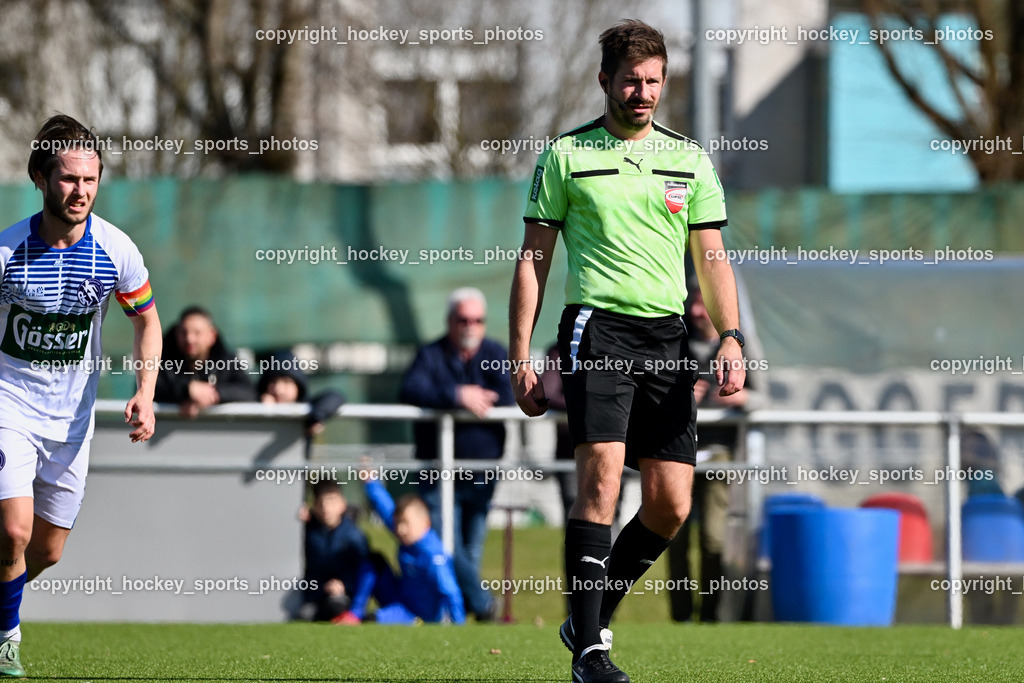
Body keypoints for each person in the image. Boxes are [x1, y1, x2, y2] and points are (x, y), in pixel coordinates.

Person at [509, 20, 747, 683]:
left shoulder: (690, 160)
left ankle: (586, 617)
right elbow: (533, 260)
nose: (642, 92)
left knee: (671, 503)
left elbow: (712, 259)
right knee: (602, 484)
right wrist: (521, 355)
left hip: (667, 338)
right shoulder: (566, 155)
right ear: (605, 81)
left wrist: (730, 336)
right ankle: (590, 652)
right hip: (597, 329)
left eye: (653, 81)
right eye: (631, 81)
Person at [0, 114, 162, 677]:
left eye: (90, 180)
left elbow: (147, 321)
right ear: (40, 178)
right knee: (13, 531)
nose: (80, 191)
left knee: (45, 551)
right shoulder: (7, 252)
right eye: (68, 178)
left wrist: (146, 391)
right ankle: (6, 641)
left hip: (71, 420)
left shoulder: (116, 249)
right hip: (9, 405)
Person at [399, 287, 514, 621]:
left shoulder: (495, 352)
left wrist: (479, 397)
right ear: (450, 321)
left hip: (482, 471)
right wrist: (455, 394)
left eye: (477, 320)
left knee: (472, 546)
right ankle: (483, 605)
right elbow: (410, 389)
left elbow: (510, 394)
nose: (470, 326)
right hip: (437, 470)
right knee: (447, 541)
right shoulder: (430, 354)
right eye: (463, 319)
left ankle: (461, 612)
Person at [666, 279, 761, 623]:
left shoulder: (739, 347)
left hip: (718, 451)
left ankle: (711, 615)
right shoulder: (675, 341)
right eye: (692, 303)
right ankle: (680, 617)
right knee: (672, 535)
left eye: (704, 303)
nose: (696, 311)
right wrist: (680, 396)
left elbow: (764, 397)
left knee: (713, 537)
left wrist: (740, 396)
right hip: (675, 449)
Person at [357, 478, 465, 624]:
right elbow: (386, 509)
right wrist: (371, 482)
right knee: (374, 561)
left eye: (406, 523)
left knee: (372, 621)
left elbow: (450, 592)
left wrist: (459, 626)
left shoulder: (433, 555)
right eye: (398, 523)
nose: (400, 529)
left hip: (416, 614)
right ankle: (354, 612)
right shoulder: (408, 536)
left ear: (425, 523)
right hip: (400, 599)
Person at [154, 306, 255, 416]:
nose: (189, 339)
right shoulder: (160, 359)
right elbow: (150, 388)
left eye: (197, 333)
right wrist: (187, 390)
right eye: (184, 332)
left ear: (212, 336)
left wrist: (214, 394)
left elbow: (249, 392)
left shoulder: (226, 361)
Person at [297, 481, 371, 622]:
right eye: (320, 503)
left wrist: (344, 585)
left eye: (331, 501)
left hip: (343, 594)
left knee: (336, 606)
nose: (326, 508)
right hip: (315, 594)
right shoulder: (309, 530)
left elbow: (362, 570)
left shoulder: (354, 536)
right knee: (304, 615)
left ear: (342, 504)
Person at [258, 350, 346, 437]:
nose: (278, 389)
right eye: (272, 381)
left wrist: (315, 418)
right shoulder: (255, 402)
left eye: (286, 381)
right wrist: (262, 409)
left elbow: (335, 397)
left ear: (298, 386)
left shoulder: (308, 407)